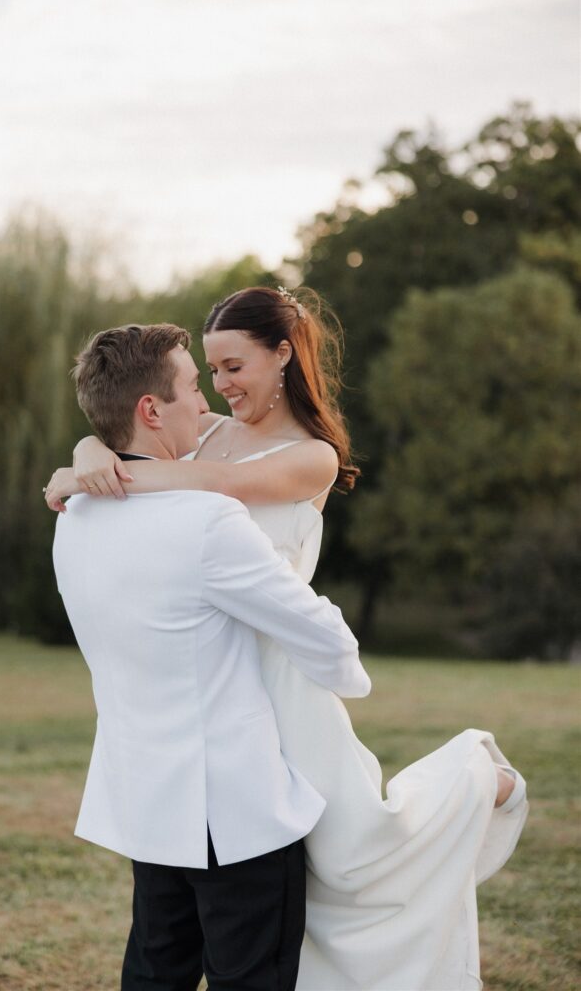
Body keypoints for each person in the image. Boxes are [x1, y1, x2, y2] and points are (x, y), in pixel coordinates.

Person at [46, 288, 528, 991]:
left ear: (282, 355)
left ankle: (478, 781)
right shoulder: (203, 430)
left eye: (234, 365)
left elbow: (211, 482)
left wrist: (100, 468)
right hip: (215, 671)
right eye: (208, 373)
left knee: (357, 855)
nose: (219, 387)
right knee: (251, 902)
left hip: (279, 675)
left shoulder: (311, 458)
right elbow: (136, 414)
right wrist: (95, 444)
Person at [52, 321, 371, 991]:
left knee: (154, 972)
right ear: (150, 409)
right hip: (238, 813)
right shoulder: (207, 520)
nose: (207, 401)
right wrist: (337, 675)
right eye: (195, 386)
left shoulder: (73, 516)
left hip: (145, 798)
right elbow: (329, 645)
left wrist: (85, 453)